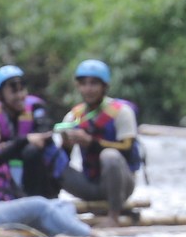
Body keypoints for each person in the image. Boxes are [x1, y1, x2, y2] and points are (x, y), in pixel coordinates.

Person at [0, 109, 93, 237]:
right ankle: (87, 235)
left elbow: (14, 190)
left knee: (63, 205)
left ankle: (60, 232)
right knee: (39, 204)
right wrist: (24, 140)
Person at [56, 59, 142, 218]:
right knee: (52, 160)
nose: (88, 89)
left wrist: (92, 143)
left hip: (121, 183)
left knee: (109, 156)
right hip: (90, 184)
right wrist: (66, 143)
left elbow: (127, 149)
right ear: (78, 86)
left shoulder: (122, 112)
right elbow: (63, 158)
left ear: (105, 86)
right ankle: (48, 209)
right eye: (84, 84)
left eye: (94, 84)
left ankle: (114, 215)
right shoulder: (73, 116)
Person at [0, 65, 59, 198]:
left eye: (22, 90)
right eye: (14, 92)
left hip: (39, 172)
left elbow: (44, 134)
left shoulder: (36, 107)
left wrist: (11, 145)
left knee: (31, 150)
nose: (20, 96)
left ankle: (39, 198)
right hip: (8, 168)